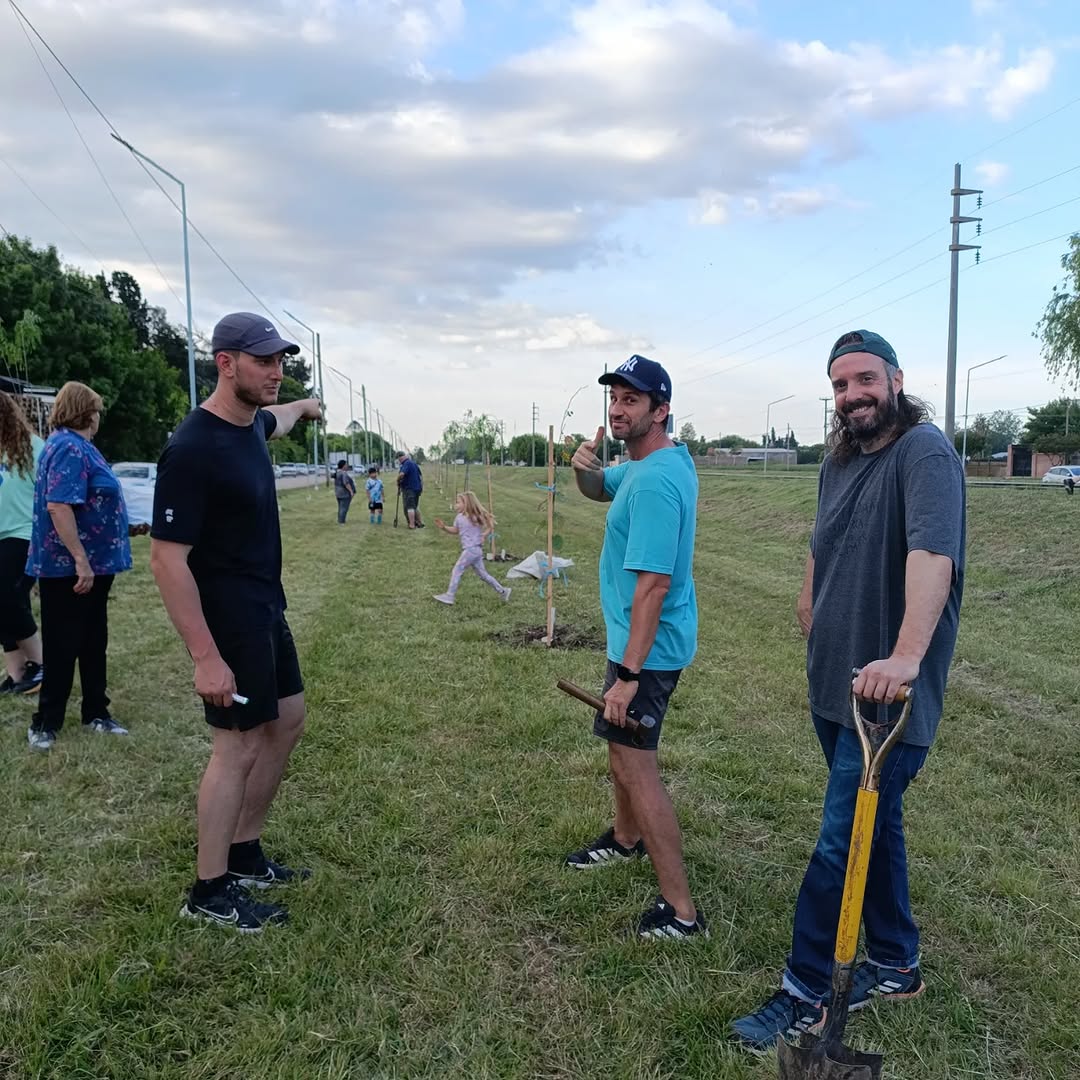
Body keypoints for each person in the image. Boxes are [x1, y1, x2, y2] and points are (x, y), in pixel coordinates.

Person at [732, 330, 966, 1050]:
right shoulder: (838, 460)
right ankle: (895, 963)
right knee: (877, 822)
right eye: (839, 384)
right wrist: (810, 602)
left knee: (840, 842)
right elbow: (821, 541)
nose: (852, 395)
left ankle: (805, 993)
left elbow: (933, 556)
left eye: (865, 379)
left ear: (896, 379)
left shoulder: (925, 453)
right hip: (835, 685)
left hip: (887, 702)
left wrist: (905, 658)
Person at [149, 312, 323, 933]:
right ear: (225, 364)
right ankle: (209, 889)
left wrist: (308, 406)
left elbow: (285, 415)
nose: (277, 372)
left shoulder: (253, 424)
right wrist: (206, 658)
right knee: (238, 743)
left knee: (288, 719)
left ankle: (245, 853)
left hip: (265, 606)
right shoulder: (193, 447)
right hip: (227, 619)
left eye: (280, 361)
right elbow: (166, 560)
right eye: (263, 361)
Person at [566, 354, 706, 940]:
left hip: (644, 652)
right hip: (636, 644)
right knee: (619, 747)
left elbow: (653, 585)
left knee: (635, 763)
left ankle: (682, 912)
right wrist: (584, 468)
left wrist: (628, 675)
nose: (619, 409)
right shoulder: (652, 462)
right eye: (615, 398)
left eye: (632, 399)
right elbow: (600, 489)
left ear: (661, 409)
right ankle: (626, 840)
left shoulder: (653, 482)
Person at [25, 381, 146, 751]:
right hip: (70, 569)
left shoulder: (79, 447)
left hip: (93, 564)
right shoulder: (68, 447)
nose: (98, 417)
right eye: (96, 410)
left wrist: (125, 526)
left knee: (93, 641)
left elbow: (92, 503)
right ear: (85, 412)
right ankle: (46, 723)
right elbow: (59, 506)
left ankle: (96, 712)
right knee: (63, 645)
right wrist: (80, 559)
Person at [0, 391, 45, 695]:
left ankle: (41, 664)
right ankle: (17, 673)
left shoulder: (33, 446)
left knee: (8, 597)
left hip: (24, 532)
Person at [433, 491, 511, 605]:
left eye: (458, 502)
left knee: (457, 569)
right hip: (475, 551)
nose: (455, 505)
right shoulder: (459, 517)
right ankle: (503, 591)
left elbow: (491, 525)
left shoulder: (475, 516)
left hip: (471, 550)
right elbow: (455, 530)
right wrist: (444, 527)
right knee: (483, 575)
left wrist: (484, 535)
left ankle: (450, 595)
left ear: (467, 504)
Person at [396, 450, 424, 528]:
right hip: (417, 488)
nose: (399, 461)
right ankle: (419, 522)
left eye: (398, 459)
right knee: (415, 506)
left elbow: (402, 474)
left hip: (409, 489)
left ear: (400, 458)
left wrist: (397, 480)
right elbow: (420, 476)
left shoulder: (406, 464)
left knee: (409, 507)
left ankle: (412, 524)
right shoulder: (414, 464)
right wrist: (421, 487)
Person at [333, 459, 356, 524]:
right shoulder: (343, 473)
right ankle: (341, 521)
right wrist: (351, 491)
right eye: (346, 464)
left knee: (340, 507)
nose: (347, 466)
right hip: (344, 493)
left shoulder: (337, 473)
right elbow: (346, 483)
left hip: (338, 493)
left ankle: (340, 520)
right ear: (343, 466)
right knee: (344, 508)